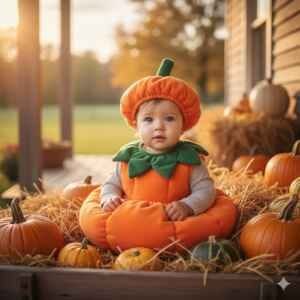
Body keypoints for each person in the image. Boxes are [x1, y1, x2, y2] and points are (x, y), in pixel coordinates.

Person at [100, 58, 216, 221]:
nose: (159, 126)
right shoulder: (127, 158)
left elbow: (206, 190)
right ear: (136, 125)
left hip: (172, 224)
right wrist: (109, 197)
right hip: (133, 221)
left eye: (169, 119)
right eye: (148, 119)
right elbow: (111, 184)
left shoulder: (190, 160)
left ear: (183, 124)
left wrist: (188, 205)